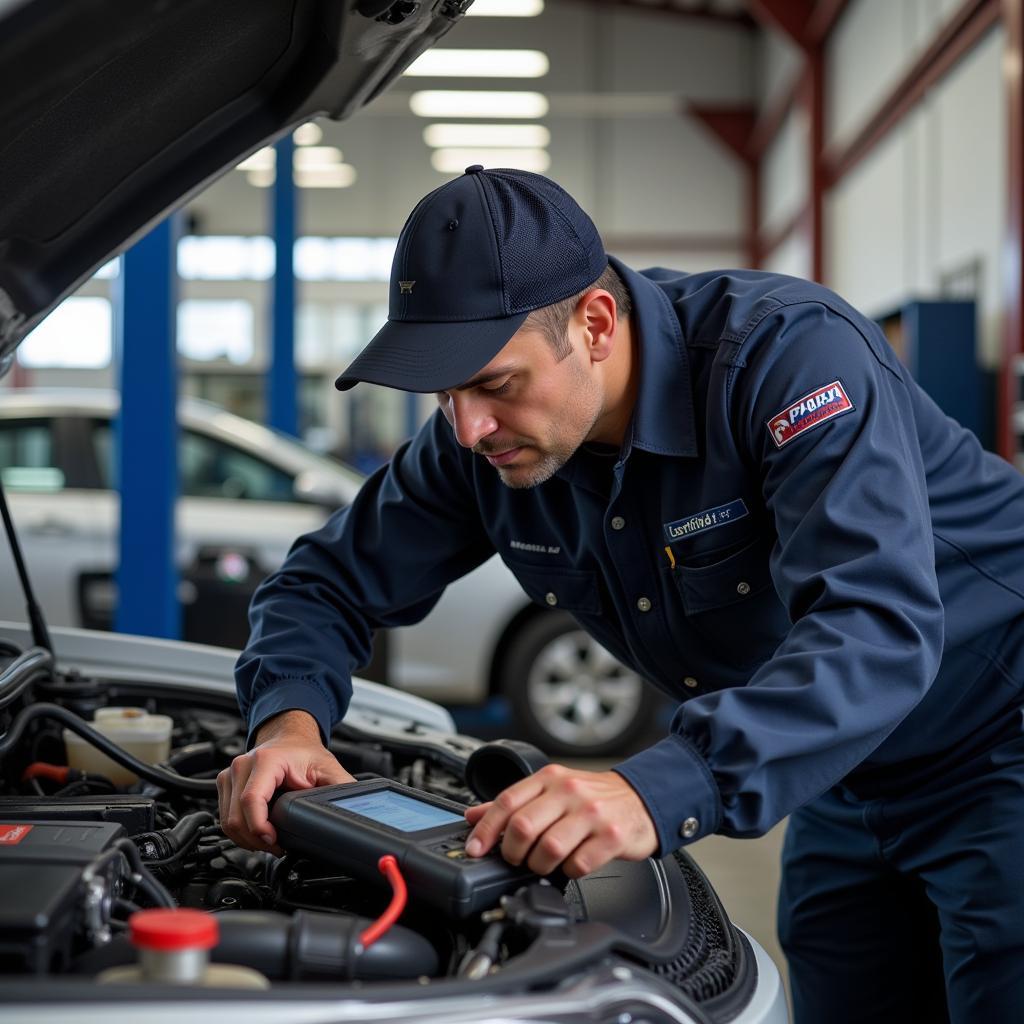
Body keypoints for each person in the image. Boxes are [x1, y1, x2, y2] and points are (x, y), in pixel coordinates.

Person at [218, 165, 1024, 1022]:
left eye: (494, 383)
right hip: (840, 768)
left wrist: (655, 788)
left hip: (997, 737)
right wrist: (288, 726)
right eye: (444, 393)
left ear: (594, 325)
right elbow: (321, 583)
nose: (466, 428)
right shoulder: (480, 444)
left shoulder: (788, 358)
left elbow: (876, 624)